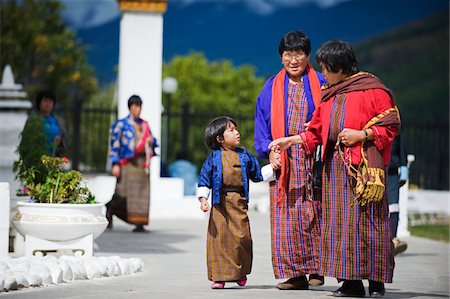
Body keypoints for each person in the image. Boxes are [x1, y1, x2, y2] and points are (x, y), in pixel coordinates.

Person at [269, 40, 400, 298]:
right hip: (335, 173)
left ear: (338, 66)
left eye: (325, 68)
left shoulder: (373, 89)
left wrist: (362, 134)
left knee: (370, 223)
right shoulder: (330, 93)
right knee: (340, 226)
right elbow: (316, 131)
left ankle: (375, 280)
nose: (323, 73)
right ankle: (350, 282)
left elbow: (391, 123)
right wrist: (291, 140)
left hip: (364, 171)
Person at [254, 30, 327, 290]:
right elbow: (262, 125)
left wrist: (318, 125)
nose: (293, 60)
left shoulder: (322, 82)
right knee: (286, 218)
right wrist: (269, 150)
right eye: (288, 54)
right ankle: (295, 275)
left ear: (308, 56)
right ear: (281, 56)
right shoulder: (271, 86)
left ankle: (317, 269)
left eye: (299, 54)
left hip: (316, 161)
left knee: (316, 214)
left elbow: (331, 118)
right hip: (284, 163)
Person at [197, 116, 263, 289]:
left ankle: (240, 273)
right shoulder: (214, 158)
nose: (237, 132)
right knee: (220, 240)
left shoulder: (245, 156)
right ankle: (219, 277)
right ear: (220, 138)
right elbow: (204, 180)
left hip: (239, 203)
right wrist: (204, 200)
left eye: (236, 129)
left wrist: (273, 166)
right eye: (231, 130)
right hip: (220, 204)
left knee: (242, 238)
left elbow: (257, 174)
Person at [106, 95, 157, 233]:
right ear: (130, 107)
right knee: (121, 193)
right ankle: (110, 210)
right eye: (135, 106)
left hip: (141, 165)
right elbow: (114, 144)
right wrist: (115, 163)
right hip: (127, 164)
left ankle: (139, 223)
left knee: (142, 194)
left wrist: (151, 142)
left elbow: (154, 141)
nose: (138, 109)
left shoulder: (144, 124)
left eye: (139, 106)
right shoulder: (121, 124)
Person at [388, 134, 408, 255]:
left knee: (394, 206)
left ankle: (393, 240)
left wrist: (404, 169)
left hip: (392, 172)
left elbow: (401, 148)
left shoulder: (395, 125)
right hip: (375, 170)